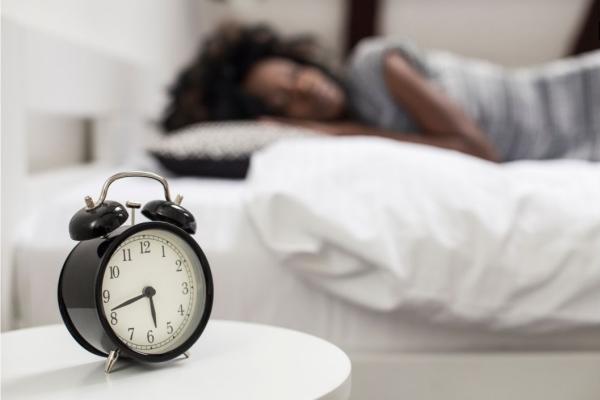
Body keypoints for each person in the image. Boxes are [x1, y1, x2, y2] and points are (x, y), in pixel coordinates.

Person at [161, 21, 600, 162]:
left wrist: (345, 133)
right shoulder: (358, 138)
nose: (307, 88)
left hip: (580, 100)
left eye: (296, 74)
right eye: (285, 101)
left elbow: (477, 150)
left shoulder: (375, 65)